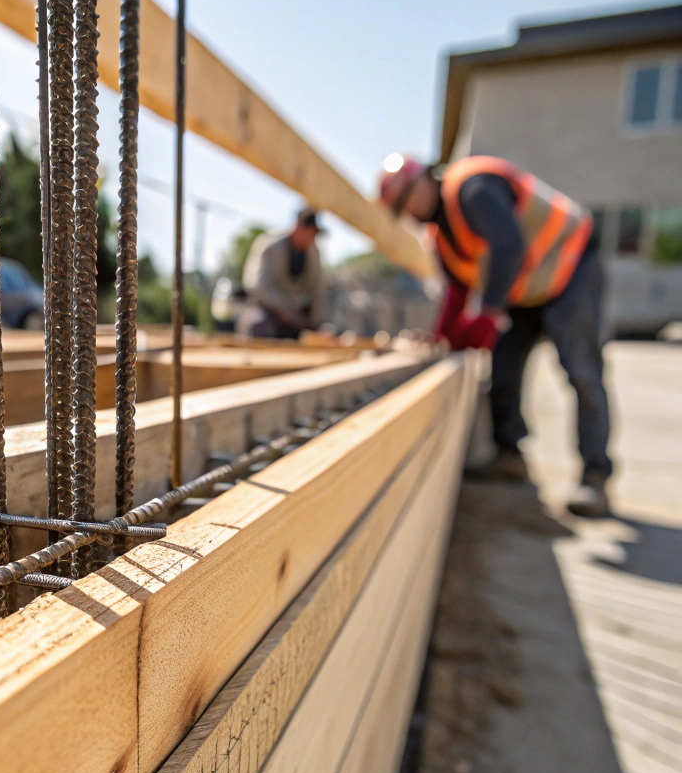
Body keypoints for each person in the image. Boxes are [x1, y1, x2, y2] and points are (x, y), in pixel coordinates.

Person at [379, 153, 611, 518]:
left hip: (570, 266)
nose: (410, 205)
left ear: (427, 178)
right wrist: (445, 339)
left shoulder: (471, 187)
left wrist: (487, 313)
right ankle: (510, 456)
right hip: (523, 289)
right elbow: (456, 293)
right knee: (502, 370)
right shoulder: (441, 238)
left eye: (409, 192)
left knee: (581, 371)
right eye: (401, 205)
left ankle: (595, 476)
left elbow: (508, 246)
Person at [237, 208, 326, 339]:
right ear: (297, 226)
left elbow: (317, 289)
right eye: (308, 232)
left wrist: (315, 322)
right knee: (259, 325)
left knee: (317, 334)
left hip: (295, 316)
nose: (310, 238)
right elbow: (257, 287)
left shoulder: (313, 253)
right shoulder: (270, 247)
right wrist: (284, 310)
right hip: (266, 310)